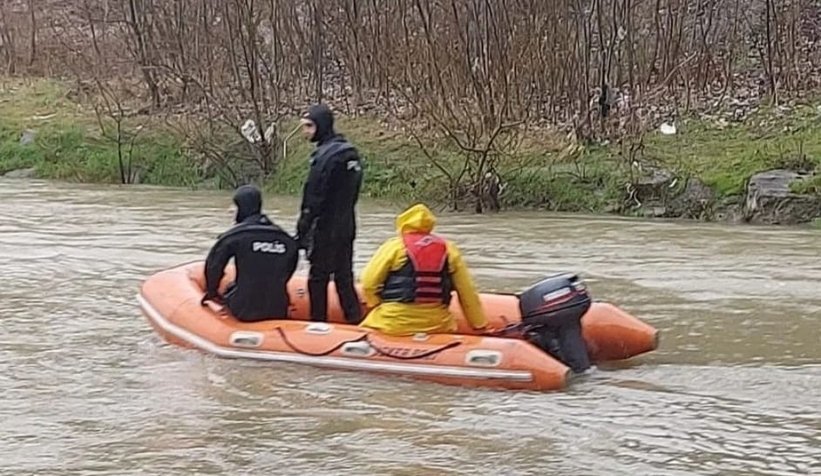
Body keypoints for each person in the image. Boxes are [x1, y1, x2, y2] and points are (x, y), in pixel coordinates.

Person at [359, 203, 488, 336]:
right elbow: (467, 292)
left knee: (369, 324)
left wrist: (374, 303)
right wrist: (479, 325)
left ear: (402, 224)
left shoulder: (394, 247)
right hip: (438, 325)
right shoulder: (450, 249)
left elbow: (368, 283)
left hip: (392, 323)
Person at [296, 104, 364, 324]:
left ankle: (318, 324)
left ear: (321, 126)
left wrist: (302, 228)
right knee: (344, 276)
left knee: (318, 278)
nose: (305, 131)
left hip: (324, 228)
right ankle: (354, 320)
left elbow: (313, 197)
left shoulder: (325, 157)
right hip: (347, 225)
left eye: (309, 126)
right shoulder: (350, 153)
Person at [202, 184, 298, 322]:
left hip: (244, 310)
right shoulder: (286, 239)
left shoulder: (234, 236)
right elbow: (289, 270)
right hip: (278, 309)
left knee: (232, 289)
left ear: (241, 208)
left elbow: (213, 267)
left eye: (234, 207)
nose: (231, 211)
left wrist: (212, 293)